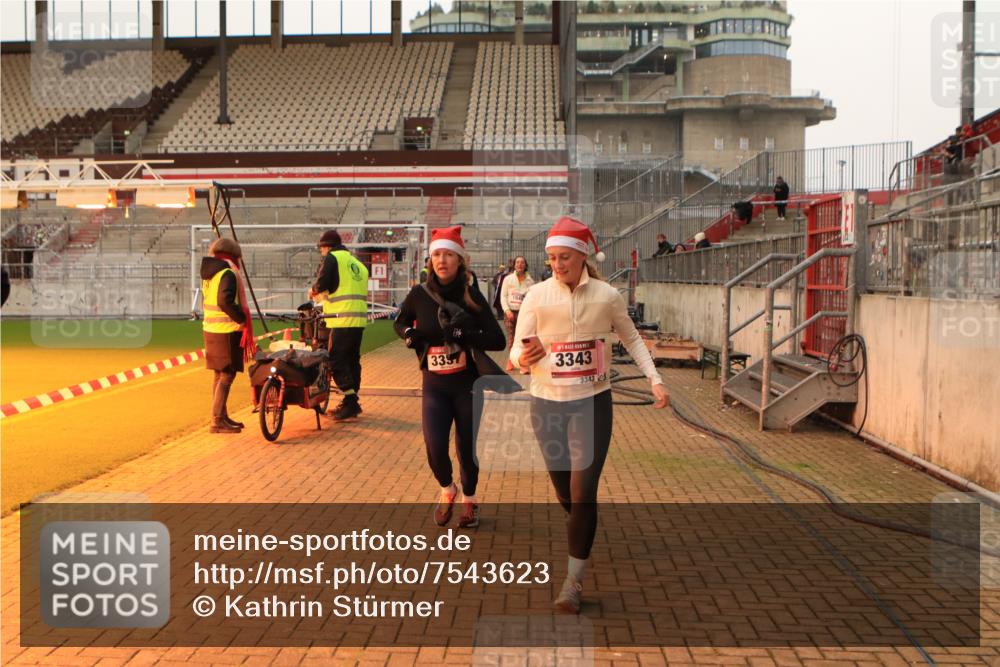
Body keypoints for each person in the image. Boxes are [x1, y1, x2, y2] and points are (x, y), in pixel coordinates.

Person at [510, 216, 669, 614]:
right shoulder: (536, 296)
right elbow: (515, 350)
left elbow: (631, 337)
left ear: (582, 255)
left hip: (591, 402)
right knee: (565, 492)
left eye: (564, 256)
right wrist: (521, 358)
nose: (557, 264)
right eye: (551, 258)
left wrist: (655, 379)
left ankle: (572, 582)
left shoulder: (606, 296)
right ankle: (581, 529)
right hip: (546, 402)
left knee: (583, 495)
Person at [394, 226, 507, 529]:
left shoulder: (472, 295)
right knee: (434, 447)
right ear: (430, 261)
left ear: (459, 260)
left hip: (467, 386)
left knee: (466, 448)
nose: (442, 260)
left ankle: (469, 499)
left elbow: (498, 340)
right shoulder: (419, 294)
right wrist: (409, 335)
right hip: (435, 387)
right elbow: (401, 321)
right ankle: (448, 489)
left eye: (448, 254)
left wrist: (465, 333)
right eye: (437, 255)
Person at [309, 230, 369, 421]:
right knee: (352, 360)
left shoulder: (332, 258)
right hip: (358, 319)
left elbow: (322, 284)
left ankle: (351, 401)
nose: (321, 253)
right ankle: (351, 401)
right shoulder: (356, 263)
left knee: (336, 360)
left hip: (341, 318)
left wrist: (314, 291)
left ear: (326, 246)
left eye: (321, 249)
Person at [201, 237, 257, 434]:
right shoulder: (228, 273)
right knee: (227, 374)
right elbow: (225, 301)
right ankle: (217, 421)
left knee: (219, 374)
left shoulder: (210, 273)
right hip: (226, 330)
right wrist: (242, 319)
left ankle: (221, 416)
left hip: (211, 329)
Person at [499, 256, 535, 371]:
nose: (519, 264)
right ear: (514, 265)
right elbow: (503, 296)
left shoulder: (530, 281)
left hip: (524, 313)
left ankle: (523, 364)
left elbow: (532, 298)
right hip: (510, 312)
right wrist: (506, 310)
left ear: (525, 265)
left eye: (522, 263)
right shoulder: (508, 279)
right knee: (511, 337)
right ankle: (511, 360)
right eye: (517, 262)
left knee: (524, 337)